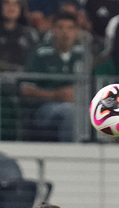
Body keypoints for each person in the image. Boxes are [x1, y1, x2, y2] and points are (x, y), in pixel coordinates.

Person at [21, 10, 83, 142]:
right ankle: (72, 153)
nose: (65, 32)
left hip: (81, 104)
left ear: (77, 32)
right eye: (60, 27)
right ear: (53, 30)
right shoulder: (41, 52)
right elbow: (26, 88)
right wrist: (55, 95)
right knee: (69, 112)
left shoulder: (84, 54)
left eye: (70, 28)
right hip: (45, 108)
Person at [0, 0, 37, 71]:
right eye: (7, 3)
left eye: (16, 3)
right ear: (0, 7)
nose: (11, 7)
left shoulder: (30, 34)